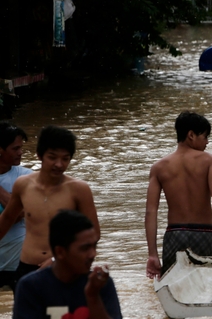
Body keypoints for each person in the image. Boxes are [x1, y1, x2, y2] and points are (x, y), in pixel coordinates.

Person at [145, 112, 212, 278]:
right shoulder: (210, 161)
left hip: (174, 236)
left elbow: (150, 211)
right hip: (204, 235)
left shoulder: (159, 167)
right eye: (205, 137)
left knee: (173, 286)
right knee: (207, 288)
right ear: (191, 135)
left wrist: (152, 254)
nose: (207, 142)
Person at [0, 126, 101, 286]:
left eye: (65, 159)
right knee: (27, 312)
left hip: (67, 267)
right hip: (28, 268)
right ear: (40, 155)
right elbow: (7, 219)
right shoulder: (23, 185)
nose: (59, 164)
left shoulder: (79, 189)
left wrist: (57, 259)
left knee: (67, 312)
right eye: (52, 157)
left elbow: (94, 233)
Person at [13, 210, 122, 319]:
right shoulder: (31, 287)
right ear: (60, 252)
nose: (93, 254)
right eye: (85, 248)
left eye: (94, 246)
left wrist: (93, 297)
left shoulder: (100, 284)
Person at [0, 123, 31, 291]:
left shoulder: (26, 177)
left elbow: (19, 213)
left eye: (21, 147)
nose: (20, 152)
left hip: (18, 262)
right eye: (15, 148)